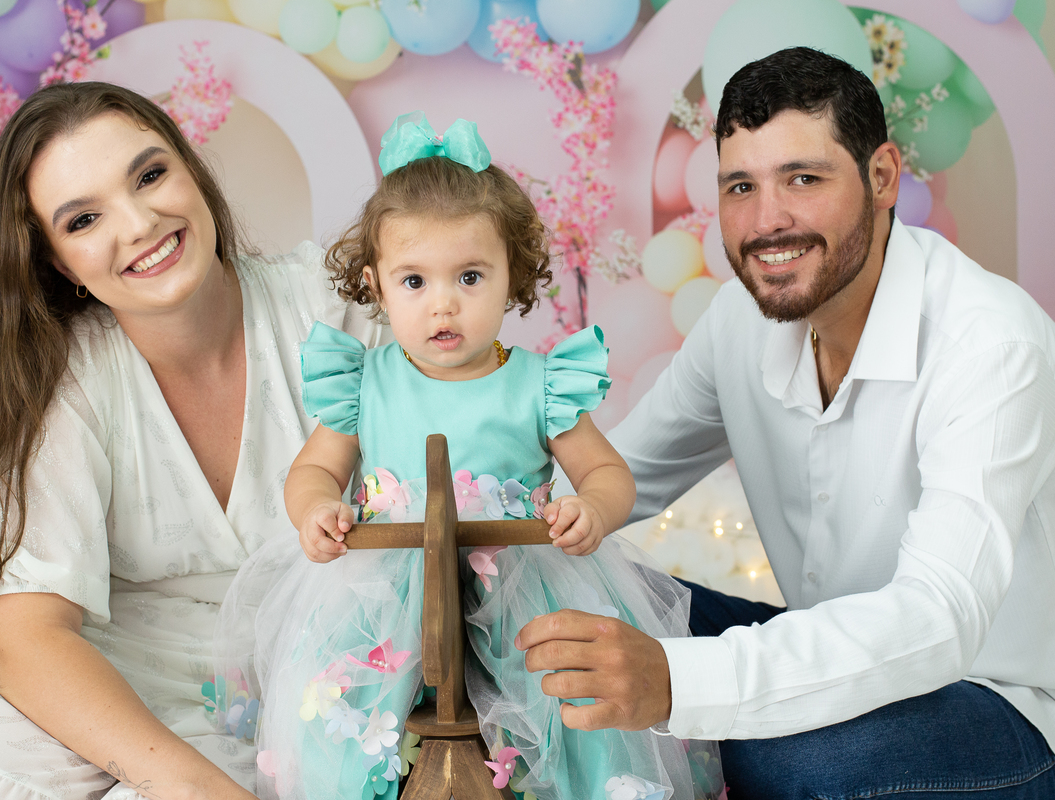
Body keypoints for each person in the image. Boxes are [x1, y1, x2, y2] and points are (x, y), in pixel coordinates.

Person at [516, 46, 1055, 799]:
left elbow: (938, 619)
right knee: (573, 609)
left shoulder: (991, 347)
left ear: (883, 177)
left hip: (1012, 710)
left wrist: (674, 680)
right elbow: (614, 480)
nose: (768, 221)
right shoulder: (739, 320)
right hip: (845, 668)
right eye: (741, 186)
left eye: (803, 178)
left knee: (793, 762)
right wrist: (477, 530)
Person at [215, 112, 723, 800]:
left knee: (571, 713)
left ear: (512, 275)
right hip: (386, 593)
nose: (444, 305)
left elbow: (607, 474)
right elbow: (313, 471)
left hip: (521, 586)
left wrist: (593, 511)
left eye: (471, 277)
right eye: (414, 282)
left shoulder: (541, 385)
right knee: (343, 716)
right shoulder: (363, 382)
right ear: (375, 284)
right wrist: (317, 510)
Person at [0, 81, 382, 799]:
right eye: (83, 220)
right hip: (112, 690)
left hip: (327, 681)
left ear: (192, 170)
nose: (138, 223)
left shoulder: (340, 309)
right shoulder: (63, 379)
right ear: (58, 264)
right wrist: (198, 791)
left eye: (150, 175)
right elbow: (30, 637)